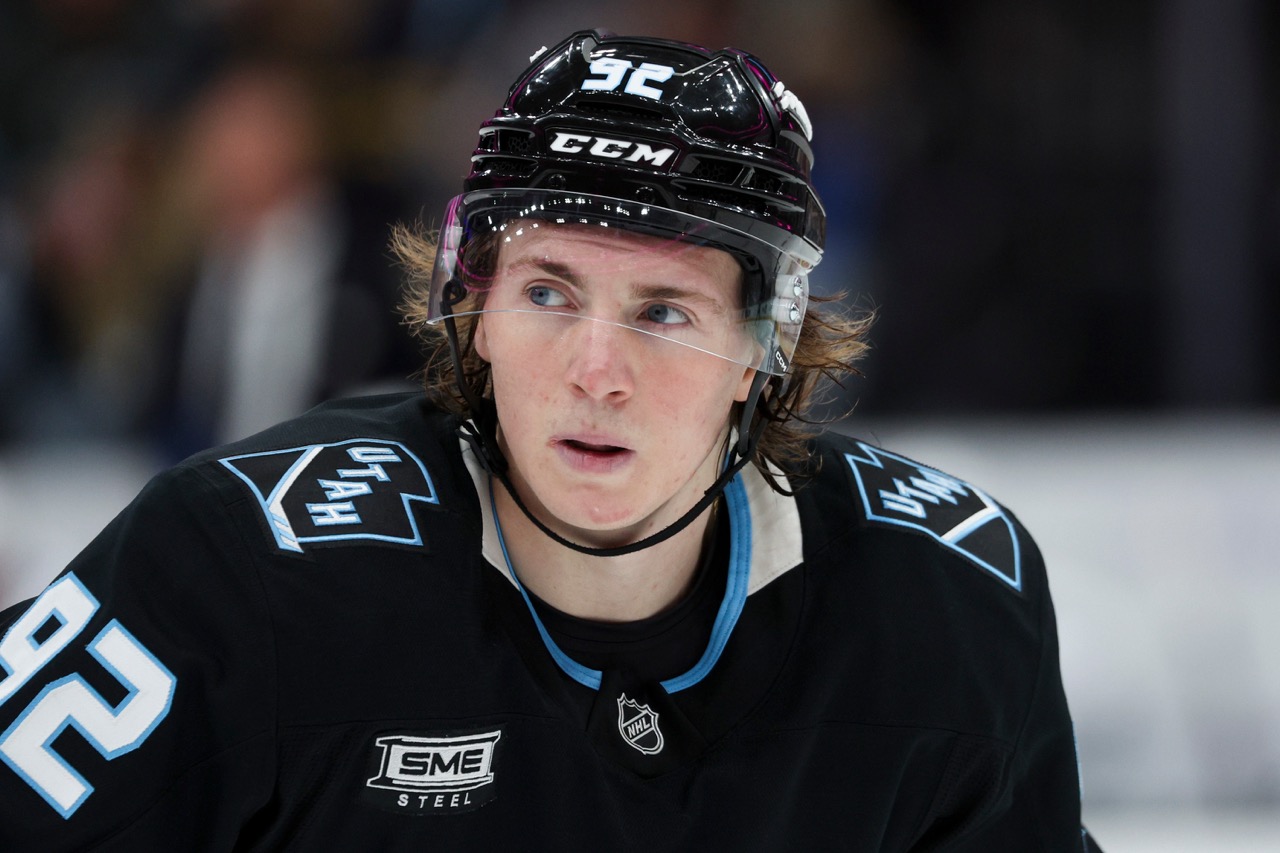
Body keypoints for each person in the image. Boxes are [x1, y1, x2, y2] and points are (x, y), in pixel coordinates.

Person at [0, 29, 1101, 851]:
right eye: (546, 291)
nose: (593, 370)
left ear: (767, 346)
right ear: (467, 309)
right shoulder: (237, 568)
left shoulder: (945, 601)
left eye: (663, 311)